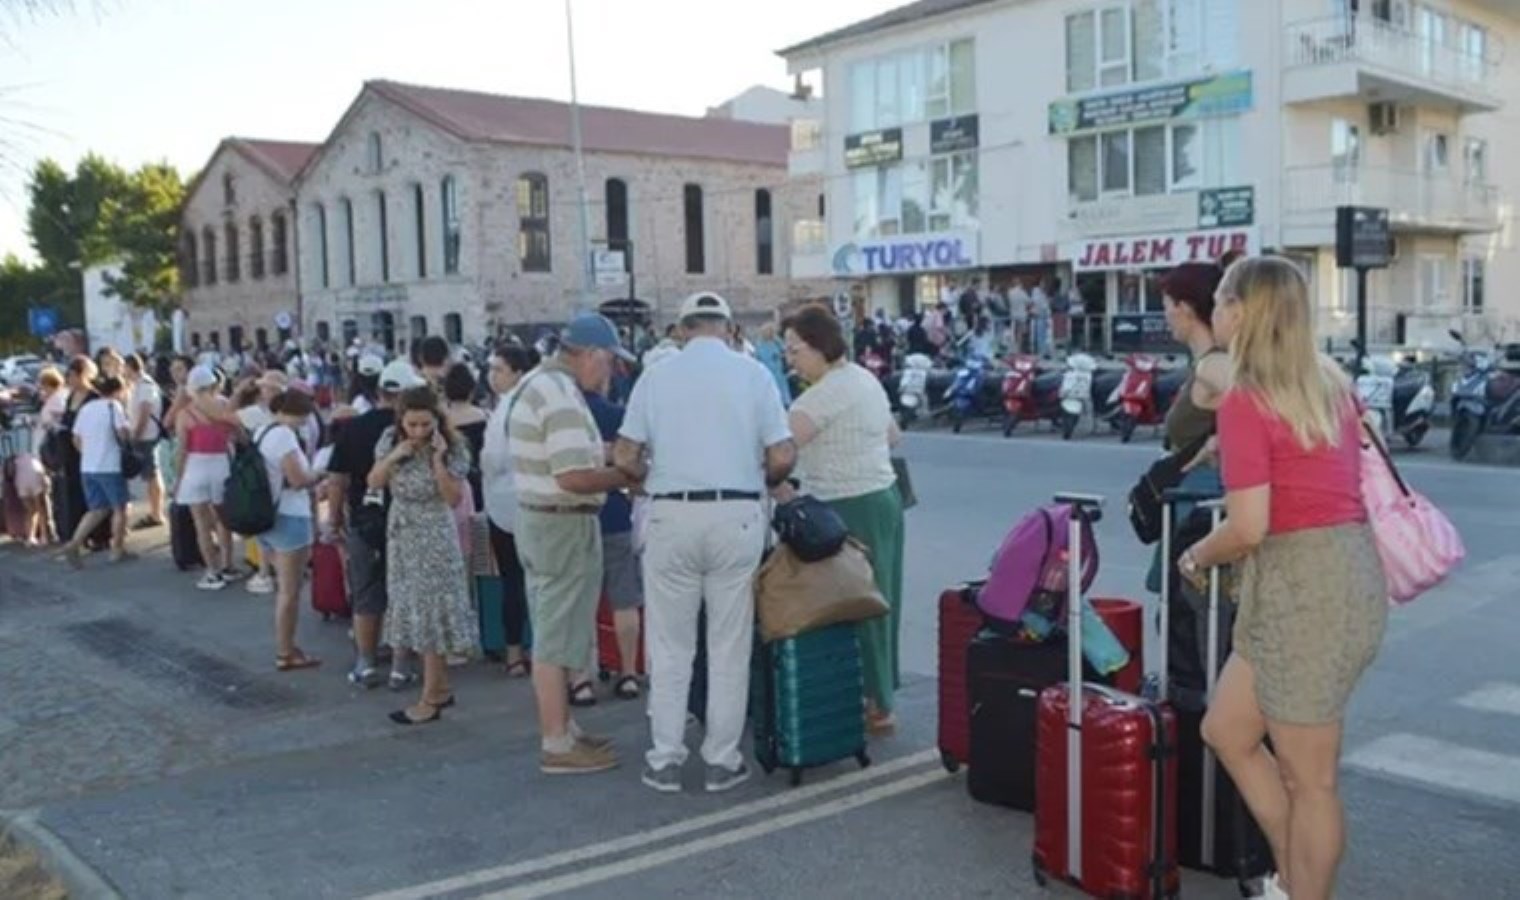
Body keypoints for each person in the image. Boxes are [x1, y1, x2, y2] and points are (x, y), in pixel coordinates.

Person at [1181, 256, 1387, 900]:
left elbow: (1248, 527)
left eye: (1220, 298)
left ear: (1242, 311)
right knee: (1227, 730)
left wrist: (1197, 557)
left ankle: (1305, 893)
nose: (1215, 310)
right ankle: (1294, 880)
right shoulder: (1329, 382)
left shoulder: (1246, 397)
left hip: (1309, 590)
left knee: (1311, 778)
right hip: (1333, 576)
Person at [613, 292, 795, 794]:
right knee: (728, 645)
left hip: (673, 514)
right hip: (735, 514)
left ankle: (664, 758)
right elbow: (781, 454)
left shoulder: (656, 376)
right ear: (728, 329)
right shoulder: (753, 375)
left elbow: (625, 455)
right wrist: (758, 473)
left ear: (683, 329)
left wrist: (651, 475)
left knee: (671, 646)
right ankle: (721, 759)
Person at [510, 314, 632, 775]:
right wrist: (626, 474)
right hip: (560, 522)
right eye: (610, 364)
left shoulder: (548, 386)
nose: (611, 373)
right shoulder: (559, 395)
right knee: (556, 636)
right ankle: (557, 741)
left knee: (558, 629)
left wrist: (607, 455)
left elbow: (572, 456)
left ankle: (566, 728)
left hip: (549, 521)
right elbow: (573, 476)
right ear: (592, 355)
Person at [781, 304, 905, 734]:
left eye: (795, 350)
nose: (790, 359)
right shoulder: (865, 379)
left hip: (847, 504)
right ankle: (882, 692)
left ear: (819, 347)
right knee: (882, 598)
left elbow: (780, 453)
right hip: (883, 497)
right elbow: (893, 435)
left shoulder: (819, 397)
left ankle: (876, 703)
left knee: (856, 602)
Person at [367, 384, 478, 723]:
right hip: (402, 530)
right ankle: (439, 689)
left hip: (434, 531)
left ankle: (431, 697)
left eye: (425, 424)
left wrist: (438, 460)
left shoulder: (454, 447)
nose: (417, 431)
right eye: (411, 424)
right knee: (413, 607)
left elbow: (452, 498)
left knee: (431, 612)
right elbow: (373, 481)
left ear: (436, 421)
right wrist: (395, 456)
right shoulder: (389, 439)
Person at [328, 360, 421, 689]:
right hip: (406, 520)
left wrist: (334, 519)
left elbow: (337, 480)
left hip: (363, 521)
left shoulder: (353, 428)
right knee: (402, 593)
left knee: (366, 593)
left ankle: (365, 663)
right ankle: (400, 666)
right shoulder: (413, 429)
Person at [577, 383, 643, 703]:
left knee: (580, 602)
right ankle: (628, 673)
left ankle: (581, 679)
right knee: (624, 599)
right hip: (615, 512)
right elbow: (635, 465)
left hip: (577, 513)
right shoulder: (617, 415)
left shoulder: (566, 416)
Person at [253, 388, 325, 672]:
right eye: (303, 418)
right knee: (290, 590)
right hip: (290, 517)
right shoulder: (284, 436)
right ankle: (286, 651)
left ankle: (287, 647)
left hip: (268, 515)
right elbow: (297, 479)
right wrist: (318, 475)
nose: (304, 424)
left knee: (285, 588)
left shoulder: (262, 431)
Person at [481, 344, 539, 678]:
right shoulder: (513, 404)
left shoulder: (510, 407)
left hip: (509, 501)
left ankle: (516, 651)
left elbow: (494, 460)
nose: (492, 376)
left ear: (516, 372)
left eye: (499, 369)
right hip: (515, 500)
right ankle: (523, 649)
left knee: (514, 581)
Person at [173, 366, 243, 589]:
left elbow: (182, 450)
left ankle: (212, 572)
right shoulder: (223, 407)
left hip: (195, 466)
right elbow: (238, 435)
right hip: (221, 464)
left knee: (202, 524)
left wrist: (178, 478)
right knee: (224, 521)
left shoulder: (186, 414)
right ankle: (228, 565)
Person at [60, 375, 133, 566]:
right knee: (119, 507)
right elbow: (122, 433)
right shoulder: (113, 407)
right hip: (110, 464)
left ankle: (74, 542)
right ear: (118, 391)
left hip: (88, 466)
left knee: (97, 509)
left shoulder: (86, 408)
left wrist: (88, 451)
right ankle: (117, 548)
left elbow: (75, 438)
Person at [16, 366, 64, 545]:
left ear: (50, 385)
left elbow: (57, 420)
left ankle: (49, 532)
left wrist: (44, 422)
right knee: (44, 493)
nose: (41, 390)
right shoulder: (52, 400)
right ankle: (46, 531)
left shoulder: (57, 400)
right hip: (43, 452)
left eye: (43, 386)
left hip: (49, 452)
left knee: (45, 493)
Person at [123, 353, 166, 530]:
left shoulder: (145, 386)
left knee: (152, 474)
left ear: (131, 367)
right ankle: (155, 511)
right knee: (149, 475)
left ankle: (157, 513)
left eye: (124, 367)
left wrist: (136, 434)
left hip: (146, 435)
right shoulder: (137, 386)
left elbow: (144, 411)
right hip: (142, 434)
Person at [752, 322, 791, 407]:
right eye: (767, 331)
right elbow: (757, 359)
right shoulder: (759, 345)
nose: (769, 333)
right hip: (767, 373)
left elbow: (785, 351)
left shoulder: (776, 341)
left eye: (770, 331)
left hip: (779, 374)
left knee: (782, 397)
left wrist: (780, 356)